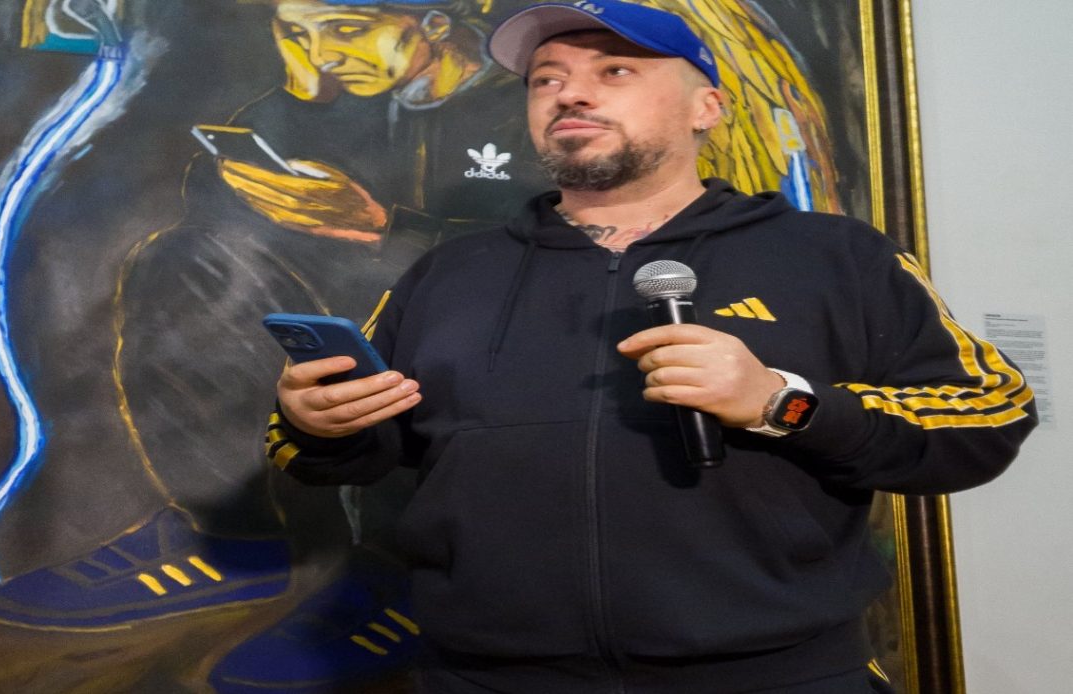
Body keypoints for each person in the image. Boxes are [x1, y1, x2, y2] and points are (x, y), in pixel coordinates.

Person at [267, 0, 1036, 691]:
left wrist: (781, 402)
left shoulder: (836, 256)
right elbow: (344, 452)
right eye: (546, 79)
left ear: (708, 106)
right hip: (484, 675)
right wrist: (317, 423)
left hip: (774, 676)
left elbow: (988, 415)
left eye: (615, 71)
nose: (570, 93)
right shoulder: (448, 273)